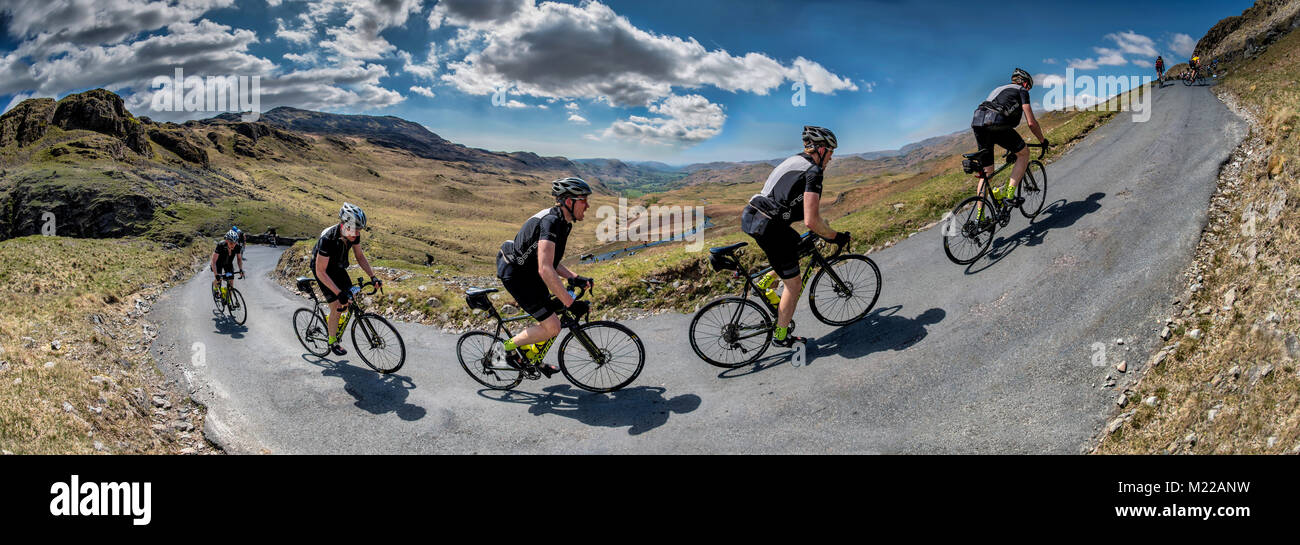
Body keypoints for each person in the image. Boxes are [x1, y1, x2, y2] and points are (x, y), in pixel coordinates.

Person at [740, 126, 849, 347]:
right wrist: (835, 237)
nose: (831, 158)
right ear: (820, 149)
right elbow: (811, 220)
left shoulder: (795, 160)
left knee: (798, 246)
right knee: (794, 284)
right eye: (830, 152)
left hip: (756, 216)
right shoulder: (813, 172)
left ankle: (767, 280)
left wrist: (820, 230)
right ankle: (780, 336)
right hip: (769, 226)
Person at [496, 177, 595, 376]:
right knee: (552, 326)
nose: (588, 205)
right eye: (583, 200)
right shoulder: (551, 223)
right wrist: (570, 302)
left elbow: (551, 260)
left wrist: (574, 277)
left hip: (529, 272)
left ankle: (531, 357)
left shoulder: (563, 223)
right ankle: (504, 350)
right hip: (516, 275)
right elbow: (545, 269)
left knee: (552, 314)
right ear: (570, 201)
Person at [969, 68, 1048, 207]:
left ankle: (979, 218)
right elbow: (1031, 122)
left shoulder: (998, 89)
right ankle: (1009, 195)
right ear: (1024, 84)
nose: (1028, 90)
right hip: (996, 123)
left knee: (987, 172)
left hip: (978, 122)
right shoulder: (1021, 90)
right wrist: (1042, 141)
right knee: (1024, 154)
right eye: (1028, 87)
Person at [312, 203, 381, 356]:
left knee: (350, 298)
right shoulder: (328, 238)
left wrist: (373, 276)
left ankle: (333, 320)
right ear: (344, 224)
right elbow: (321, 271)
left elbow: (360, 256)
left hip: (337, 267)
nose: (356, 234)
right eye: (354, 230)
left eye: (359, 231)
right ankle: (332, 341)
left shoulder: (353, 233)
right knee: (338, 303)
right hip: (322, 270)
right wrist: (338, 292)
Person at [210, 229, 245, 297]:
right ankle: (215, 287)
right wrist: (216, 274)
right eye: (231, 243)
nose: (233, 245)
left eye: (235, 243)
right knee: (218, 279)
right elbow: (213, 261)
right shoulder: (221, 245)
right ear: (226, 241)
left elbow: (239, 259)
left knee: (231, 281)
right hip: (218, 263)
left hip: (228, 264)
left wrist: (241, 269)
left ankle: (229, 301)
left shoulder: (237, 247)